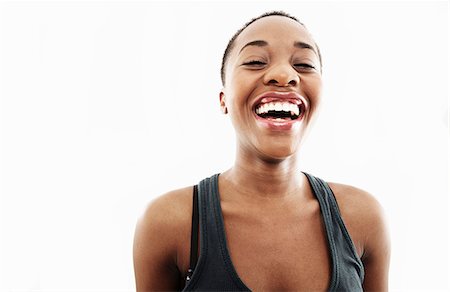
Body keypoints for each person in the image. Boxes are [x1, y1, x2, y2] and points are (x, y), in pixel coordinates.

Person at [133, 11, 390, 291]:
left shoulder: (363, 218)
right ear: (223, 99)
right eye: (255, 61)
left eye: (304, 64)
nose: (284, 75)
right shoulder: (169, 223)